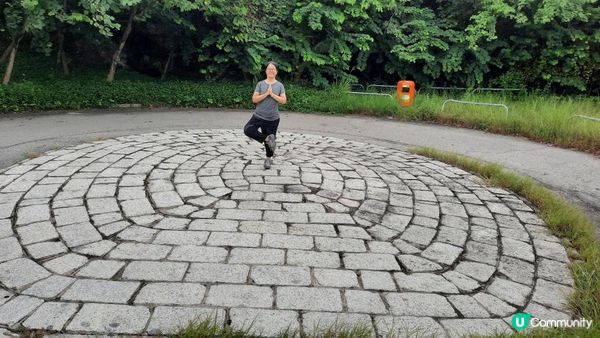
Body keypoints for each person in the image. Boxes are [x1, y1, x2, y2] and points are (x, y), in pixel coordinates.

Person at [243, 62, 287, 169]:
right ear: (266, 71)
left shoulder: (280, 85)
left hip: (273, 119)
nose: (271, 70)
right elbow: (254, 99)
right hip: (258, 116)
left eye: (273, 69)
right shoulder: (260, 84)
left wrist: (272, 94)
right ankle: (266, 138)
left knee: (270, 145)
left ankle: (268, 159)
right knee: (248, 130)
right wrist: (266, 93)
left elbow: (283, 100)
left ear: (276, 72)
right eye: (269, 68)